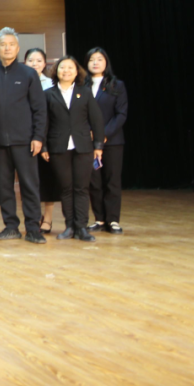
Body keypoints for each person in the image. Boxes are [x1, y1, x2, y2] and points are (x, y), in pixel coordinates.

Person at [0, 28, 48, 244]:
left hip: (25, 140)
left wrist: (38, 137)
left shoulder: (28, 74)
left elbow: (40, 109)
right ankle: (11, 226)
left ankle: (33, 228)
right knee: (4, 186)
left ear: (18, 48)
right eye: (3, 44)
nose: (7, 48)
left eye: (11, 44)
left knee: (29, 185)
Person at [42, 56, 105, 242]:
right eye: (62, 67)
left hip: (83, 146)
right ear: (56, 71)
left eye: (70, 68)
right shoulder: (48, 94)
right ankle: (69, 226)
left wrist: (98, 146)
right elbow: (44, 122)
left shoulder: (84, 92)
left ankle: (82, 228)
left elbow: (97, 120)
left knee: (82, 188)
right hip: (58, 147)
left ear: (77, 72)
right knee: (66, 188)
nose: (66, 71)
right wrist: (44, 146)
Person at [85, 47, 128, 235]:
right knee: (94, 182)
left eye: (99, 59)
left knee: (112, 180)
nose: (95, 62)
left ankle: (113, 220)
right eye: (91, 59)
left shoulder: (117, 85)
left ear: (106, 63)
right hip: (88, 141)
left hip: (112, 141)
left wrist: (103, 134)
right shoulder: (81, 85)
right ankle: (99, 219)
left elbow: (121, 114)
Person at [26, 48, 57, 233]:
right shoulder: (21, 81)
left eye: (39, 60)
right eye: (31, 60)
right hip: (25, 136)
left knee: (47, 178)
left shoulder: (51, 84)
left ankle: (48, 218)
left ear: (45, 64)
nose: (35, 64)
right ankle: (34, 216)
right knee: (31, 180)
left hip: (46, 137)